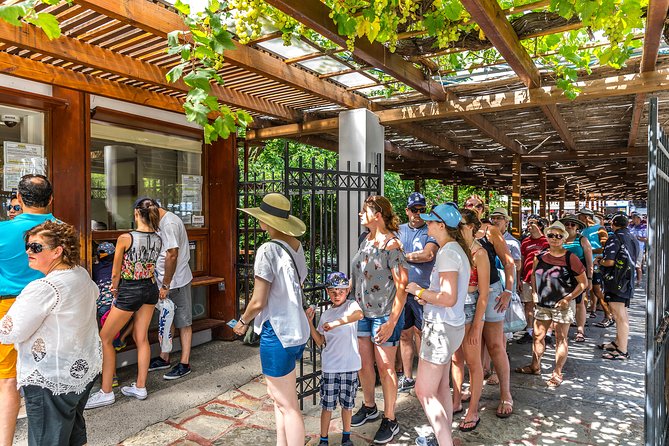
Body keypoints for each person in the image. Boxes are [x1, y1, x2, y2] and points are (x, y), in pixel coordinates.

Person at [0, 221, 102, 446]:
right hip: (78, 371)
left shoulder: (45, 287)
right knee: (72, 431)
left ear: (58, 251)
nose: (28, 251)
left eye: (36, 247)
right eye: (27, 246)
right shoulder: (80, 274)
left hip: (50, 377)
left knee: (47, 438)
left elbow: (9, 331)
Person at [233, 193, 310, 446]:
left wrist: (242, 321)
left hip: (276, 331)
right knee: (279, 398)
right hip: (295, 330)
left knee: (287, 404)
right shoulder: (296, 247)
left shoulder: (267, 250)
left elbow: (258, 301)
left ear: (266, 221)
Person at [85, 198, 162, 408]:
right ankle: (140, 386)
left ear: (137, 213)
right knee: (141, 337)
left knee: (106, 337)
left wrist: (114, 290)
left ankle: (106, 390)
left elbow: (116, 271)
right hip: (150, 289)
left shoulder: (125, 238)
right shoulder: (158, 238)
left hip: (129, 290)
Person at [406, 203, 471, 446]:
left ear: (441, 225)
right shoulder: (455, 250)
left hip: (440, 329)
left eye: (430, 222)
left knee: (423, 391)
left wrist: (419, 291)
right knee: (442, 386)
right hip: (451, 327)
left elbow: (447, 297)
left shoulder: (447, 253)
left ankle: (444, 441)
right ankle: (444, 436)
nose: (427, 225)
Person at [0, 174, 56, 446]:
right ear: (51, 199)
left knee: (8, 380)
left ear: (19, 200)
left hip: (9, 308)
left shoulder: (3, 231)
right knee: (46, 376)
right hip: (52, 307)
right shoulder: (62, 230)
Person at [349, 195, 408, 445]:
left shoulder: (391, 244)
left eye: (365, 210)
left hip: (384, 314)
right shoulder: (365, 240)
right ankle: (369, 406)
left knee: (386, 368)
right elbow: (359, 274)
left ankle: (390, 418)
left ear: (378, 215)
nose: (361, 214)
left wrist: (392, 322)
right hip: (362, 312)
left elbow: (402, 286)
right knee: (364, 364)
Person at [516, 221, 587, 388]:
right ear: (546, 237)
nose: (554, 238)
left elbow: (583, 284)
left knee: (560, 338)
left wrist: (567, 299)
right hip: (542, 303)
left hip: (562, 305)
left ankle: (557, 372)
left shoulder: (571, 258)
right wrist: (534, 293)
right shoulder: (539, 256)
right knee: (538, 335)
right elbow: (533, 275)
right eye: (551, 235)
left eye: (558, 236)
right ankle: (535, 365)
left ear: (564, 238)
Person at [463, 195, 514, 418]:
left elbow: (509, 261)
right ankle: (473, 389)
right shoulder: (459, 229)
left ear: (484, 209)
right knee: (470, 346)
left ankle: (506, 393)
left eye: (478, 205)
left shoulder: (490, 231)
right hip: (467, 293)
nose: (473, 208)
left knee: (494, 344)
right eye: (469, 205)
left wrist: (508, 291)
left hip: (491, 291)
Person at [305, 272, 363, 446]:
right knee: (327, 406)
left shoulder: (352, 306)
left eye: (341, 291)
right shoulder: (326, 315)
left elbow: (358, 315)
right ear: (327, 293)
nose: (337, 295)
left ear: (347, 291)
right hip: (330, 366)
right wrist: (309, 322)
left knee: (348, 405)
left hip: (350, 365)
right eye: (333, 292)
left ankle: (346, 437)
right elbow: (320, 341)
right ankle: (324, 439)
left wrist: (337, 323)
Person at [450, 208, 488, 432]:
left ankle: (473, 409)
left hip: (471, 305)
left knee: (473, 361)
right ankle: (456, 400)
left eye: (462, 224)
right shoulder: (454, 249)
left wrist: (476, 326)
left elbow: (484, 294)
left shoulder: (479, 253)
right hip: (455, 305)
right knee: (456, 358)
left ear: (472, 227)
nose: (458, 229)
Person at [148, 199, 195, 380]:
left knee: (183, 321)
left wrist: (166, 284)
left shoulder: (169, 223)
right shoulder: (162, 221)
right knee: (168, 319)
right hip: (165, 281)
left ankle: (184, 363)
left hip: (177, 281)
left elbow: (172, 254)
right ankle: (164, 357)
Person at [397, 192, 438, 392]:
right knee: (405, 335)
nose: (418, 213)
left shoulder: (430, 230)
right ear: (407, 211)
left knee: (422, 334)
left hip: (423, 292)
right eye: (414, 210)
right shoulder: (399, 230)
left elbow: (428, 254)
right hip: (402, 291)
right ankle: (407, 376)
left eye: (422, 210)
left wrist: (402, 256)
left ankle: (424, 376)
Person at [596, 214, 639, 360]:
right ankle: (617, 342)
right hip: (627, 280)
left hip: (617, 281)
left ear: (613, 224)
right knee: (622, 313)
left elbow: (609, 262)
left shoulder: (614, 237)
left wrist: (599, 261)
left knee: (619, 315)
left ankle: (622, 350)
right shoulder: (632, 237)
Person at [560, 214, 593, 343]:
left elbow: (589, 262)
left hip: (579, 276)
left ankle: (580, 330)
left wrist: (589, 279)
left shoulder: (582, 240)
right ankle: (562, 329)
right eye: (567, 224)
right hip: (562, 276)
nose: (569, 226)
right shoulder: (559, 238)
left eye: (572, 224)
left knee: (580, 303)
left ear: (577, 226)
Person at [578, 208, 613, 328]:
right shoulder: (583, 230)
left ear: (586, 217)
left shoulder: (600, 229)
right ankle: (585, 316)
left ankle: (609, 315)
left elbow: (606, 247)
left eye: (580, 216)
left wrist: (589, 250)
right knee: (585, 290)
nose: (578, 218)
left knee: (597, 290)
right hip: (585, 263)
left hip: (596, 263)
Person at [517, 215, 549, 345]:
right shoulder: (525, 241)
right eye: (528, 223)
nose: (529, 225)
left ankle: (546, 333)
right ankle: (529, 331)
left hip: (544, 279)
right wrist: (519, 277)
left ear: (540, 225)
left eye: (532, 223)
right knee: (528, 304)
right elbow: (522, 260)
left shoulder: (547, 240)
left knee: (544, 306)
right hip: (526, 277)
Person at [628, 213, 647, 287]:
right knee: (630, 264)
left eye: (635, 218)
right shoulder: (630, 227)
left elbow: (646, 239)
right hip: (630, 248)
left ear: (639, 219)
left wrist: (638, 238)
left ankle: (638, 281)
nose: (633, 219)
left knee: (638, 265)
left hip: (639, 248)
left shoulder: (643, 228)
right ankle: (631, 280)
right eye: (632, 218)